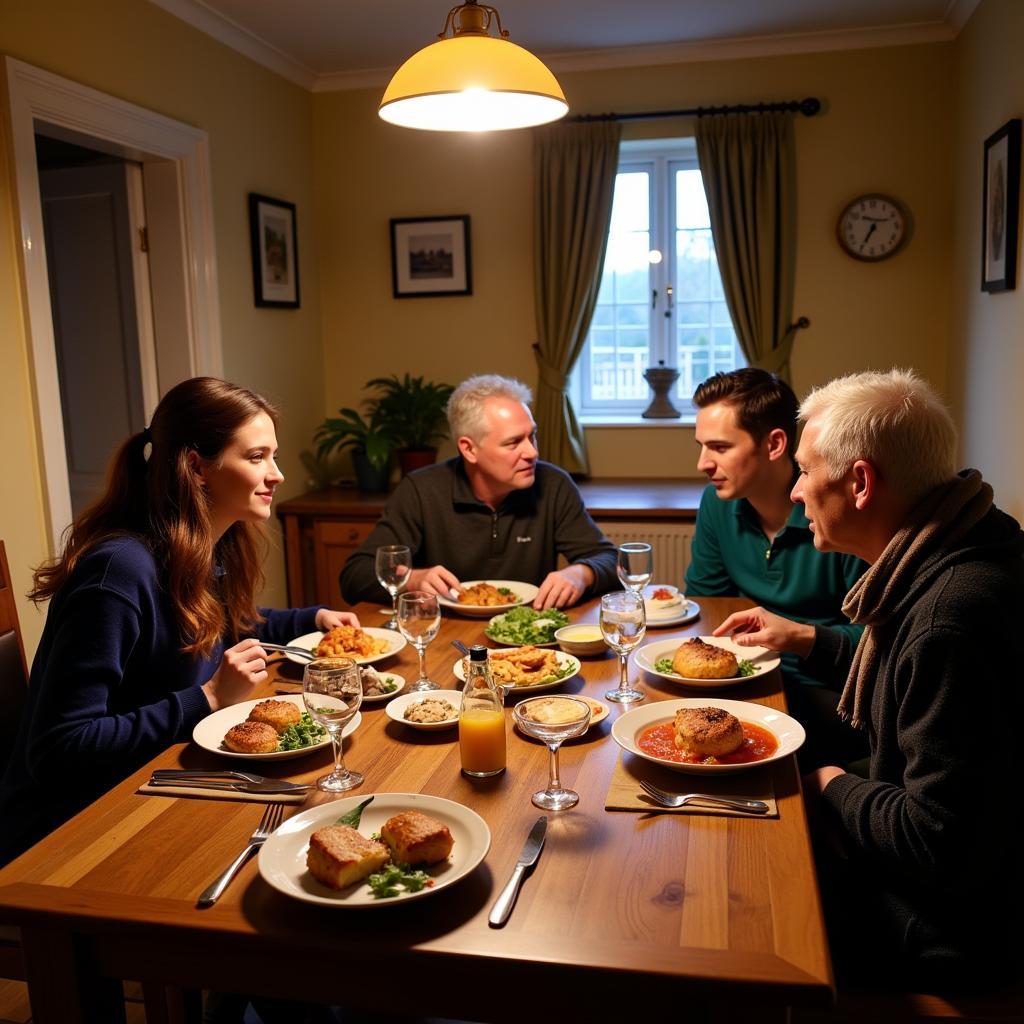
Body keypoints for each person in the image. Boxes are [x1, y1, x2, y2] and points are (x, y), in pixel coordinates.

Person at [717, 369, 1024, 988]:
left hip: (965, 933)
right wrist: (807, 638)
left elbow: (939, 843)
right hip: (975, 878)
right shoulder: (964, 548)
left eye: (805, 471)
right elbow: (906, 686)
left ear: (860, 483)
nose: (797, 491)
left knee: (738, 913)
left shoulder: (949, 619)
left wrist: (828, 783)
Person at [0, 377, 360, 867]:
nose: (276, 474)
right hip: (70, 832)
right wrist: (207, 698)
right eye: (256, 458)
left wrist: (311, 618)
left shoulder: (203, 546)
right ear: (197, 467)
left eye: (273, 455)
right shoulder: (119, 571)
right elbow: (59, 749)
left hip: (159, 783)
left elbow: (225, 625)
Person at [684, 368, 867, 767]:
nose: (703, 463)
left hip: (832, 698)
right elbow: (706, 601)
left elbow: (879, 645)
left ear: (775, 444)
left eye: (719, 447)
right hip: (748, 684)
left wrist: (800, 637)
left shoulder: (837, 511)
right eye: (701, 446)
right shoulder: (717, 503)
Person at [340, 374, 617, 609]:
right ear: (469, 449)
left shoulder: (553, 484)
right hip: (443, 639)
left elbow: (612, 561)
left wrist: (582, 573)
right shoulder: (421, 491)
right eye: (513, 442)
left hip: (526, 640)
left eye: (532, 435)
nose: (531, 451)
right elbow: (354, 576)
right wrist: (412, 580)